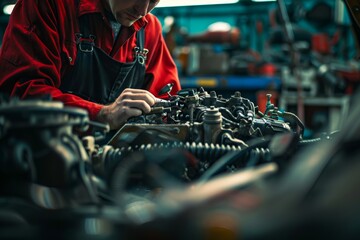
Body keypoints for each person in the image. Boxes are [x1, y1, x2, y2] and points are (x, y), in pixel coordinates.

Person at [0, 0, 181, 130]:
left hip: (115, 167)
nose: (142, 10)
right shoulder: (49, 6)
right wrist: (101, 114)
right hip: (44, 160)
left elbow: (169, 102)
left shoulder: (149, 29)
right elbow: (22, 94)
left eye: (154, 0)